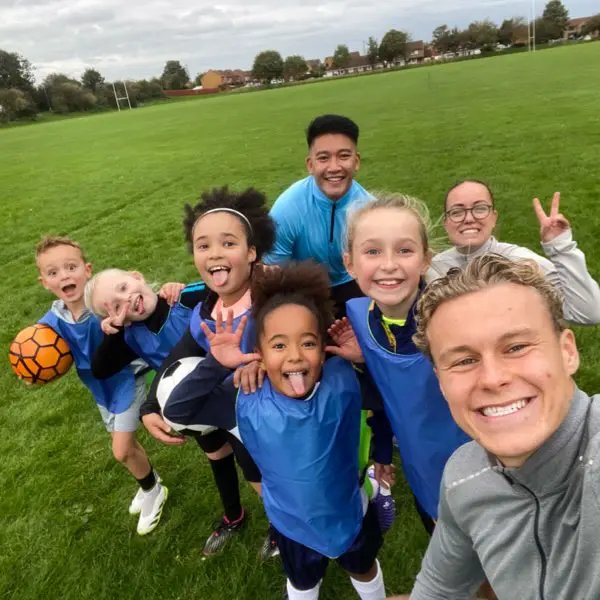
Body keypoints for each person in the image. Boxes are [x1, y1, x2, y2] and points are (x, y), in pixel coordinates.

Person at [165, 262, 386, 600]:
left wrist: (365, 361)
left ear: (323, 349)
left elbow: (391, 399)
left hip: (349, 512)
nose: (295, 357)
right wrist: (216, 365)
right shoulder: (245, 395)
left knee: (363, 566)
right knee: (302, 581)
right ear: (260, 354)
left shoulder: (342, 380)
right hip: (291, 525)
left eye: (308, 343)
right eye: (279, 346)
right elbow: (178, 410)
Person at [393, 254, 600, 599]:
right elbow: (438, 587)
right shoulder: (464, 475)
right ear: (441, 382)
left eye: (516, 347)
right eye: (465, 360)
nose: (492, 378)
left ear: (567, 352)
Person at [140, 186, 275, 556]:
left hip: (262, 416)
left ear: (252, 252)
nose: (214, 253)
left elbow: (304, 345)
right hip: (219, 401)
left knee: (261, 477)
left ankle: (285, 532)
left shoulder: (272, 299)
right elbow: (182, 352)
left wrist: (266, 361)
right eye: (203, 245)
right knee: (215, 451)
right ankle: (234, 515)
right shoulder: (206, 306)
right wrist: (150, 405)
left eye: (228, 243)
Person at [329, 194, 469, 532]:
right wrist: (382, 449)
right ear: (350, 263)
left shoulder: (455, 325)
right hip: (423, 471)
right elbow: (387, 392)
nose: (389, 264)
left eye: (404, 250)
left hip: (478, 465)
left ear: (425, 260)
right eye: (373, 251)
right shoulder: (359, 318)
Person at [35, 236, 167, 536]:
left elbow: (143, 308)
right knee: (128, 447)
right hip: (100, 391)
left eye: (71, 267)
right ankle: (149, 483)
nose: (64, 276)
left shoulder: (104, 308)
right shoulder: (53, 320)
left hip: (127, 382)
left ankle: (154, 491)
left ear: (87, 270)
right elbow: (35, 350)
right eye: (53, 272)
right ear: (44, 282)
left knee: (121, 450)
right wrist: (30, 368)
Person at [428, 180, 600, 324]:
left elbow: (588, 313)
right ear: (446, 223)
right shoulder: (434, 268)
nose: (469, 218)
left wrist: (561, 247)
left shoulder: (520, 262)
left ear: (494, 217)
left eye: (479, 209)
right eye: (457, 212)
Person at [262, 114, 370, 317]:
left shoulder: (369, 210)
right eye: (323, 158)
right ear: (310, 165)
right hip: (300, 287)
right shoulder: (287, 208)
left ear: (356, 162)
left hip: (353, 281)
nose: (334, 167)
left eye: (344, 156)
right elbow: (274, 274)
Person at [84, 268, 205, 375]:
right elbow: (100, 370)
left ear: (137, 277)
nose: (126, 299)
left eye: (123, 288)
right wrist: (114, 334)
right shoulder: (132, 337)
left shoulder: (186, 299)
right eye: (117, 307)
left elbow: (215, 289)